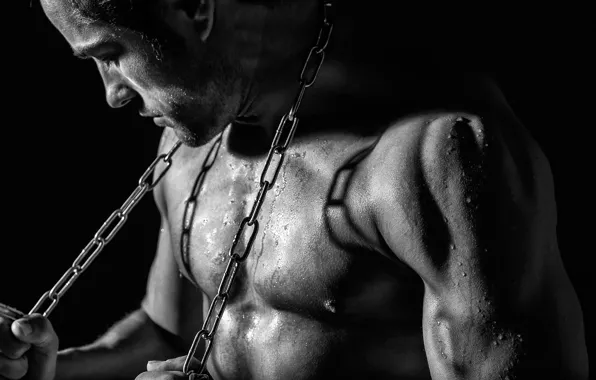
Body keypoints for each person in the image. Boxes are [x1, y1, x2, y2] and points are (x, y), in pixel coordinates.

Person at [0, 0, 589, 379]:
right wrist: (51, 369)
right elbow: (169, 332)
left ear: (192, 8)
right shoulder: (190, 141)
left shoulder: (432, 159)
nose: (113, 94)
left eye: (111, 55)